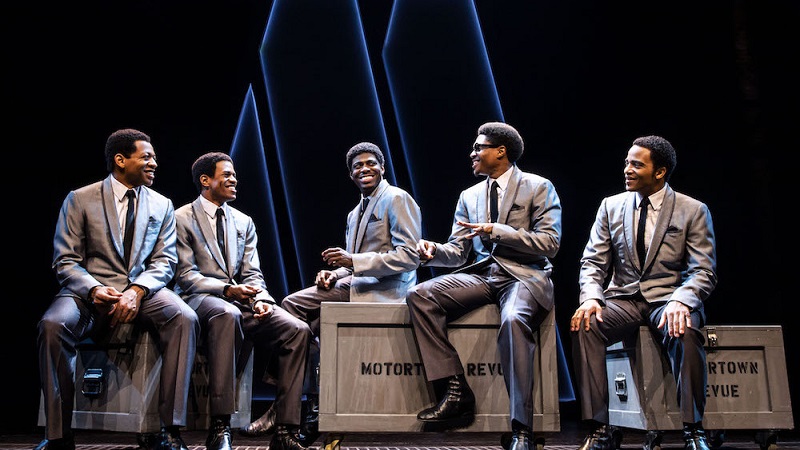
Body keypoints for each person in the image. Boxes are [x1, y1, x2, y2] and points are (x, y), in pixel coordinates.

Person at [36, 128, 200, 450]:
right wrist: (94, 289)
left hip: (142, 291)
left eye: (154, 157)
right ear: (120, 160)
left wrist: (137, 290)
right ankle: (58, 435)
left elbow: (165, 261)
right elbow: (66, 260)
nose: (154, 163)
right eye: (147, 157)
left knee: (184, 318)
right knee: (53, 325)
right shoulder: (80, 198)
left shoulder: (162, 204)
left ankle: (169, 430)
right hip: (87, 293)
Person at [252, 141, 421, 445]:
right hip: (356, 285)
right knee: (306, 330)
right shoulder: (354, 213)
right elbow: (353, 266)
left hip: (385, 290)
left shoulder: (397, 198)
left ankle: (287, 403)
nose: (364, 169)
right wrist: (334, 273)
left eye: (370, 163)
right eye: (357, 166)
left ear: (383, 168)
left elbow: (409, 257)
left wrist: (351, 262)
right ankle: (312, 407)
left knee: (291, 305)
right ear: (350, 174)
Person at [406, 122, 562, 450]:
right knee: (420, 294)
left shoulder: (538, 187)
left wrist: (497, 230)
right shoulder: (470, 195)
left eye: (479, 148)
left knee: (513, 320)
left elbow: (549, 243)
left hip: (523, 275)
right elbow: (457, 252)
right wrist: (433, 250)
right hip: (482, 275)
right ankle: (456, 390)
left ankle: (522, 430)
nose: (472, 153)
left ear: (500, 151)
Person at [570, 135, 717, 450]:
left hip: (668, 299)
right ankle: (599, 429)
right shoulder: (611, 206)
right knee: (586, 324)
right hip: (624, 299)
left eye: (637, 164)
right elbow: (592, 262)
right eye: (627, 162)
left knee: (685, 329)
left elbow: (703, 271)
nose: (627, 169)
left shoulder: (693, 210)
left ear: (659, 172)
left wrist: (681, 300)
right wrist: (592, 296)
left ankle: (693, 430)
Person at [174, 152, 313, 450]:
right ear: (205, 180)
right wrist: (227, 290)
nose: (234, 179)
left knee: (297, 330)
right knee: (227, 314)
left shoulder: (243, 221)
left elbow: (252, 273)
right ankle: (220, 426)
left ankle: (285, 430)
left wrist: (261, 299)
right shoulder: (180, 218)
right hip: (198, 300)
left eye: (234, 174)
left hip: (239, 302)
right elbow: (185, 275)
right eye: (226, 174)